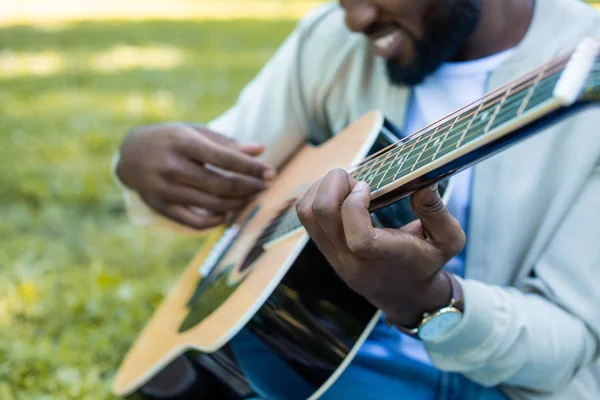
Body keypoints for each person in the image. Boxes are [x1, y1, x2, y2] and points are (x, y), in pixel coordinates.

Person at [113, 0, 600, 398]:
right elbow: (221, 166)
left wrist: (426, 302)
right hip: (326, 349)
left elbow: (571, 344)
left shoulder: (583, 61)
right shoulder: (332, 39)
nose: (355, 18)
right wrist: (140, 165)